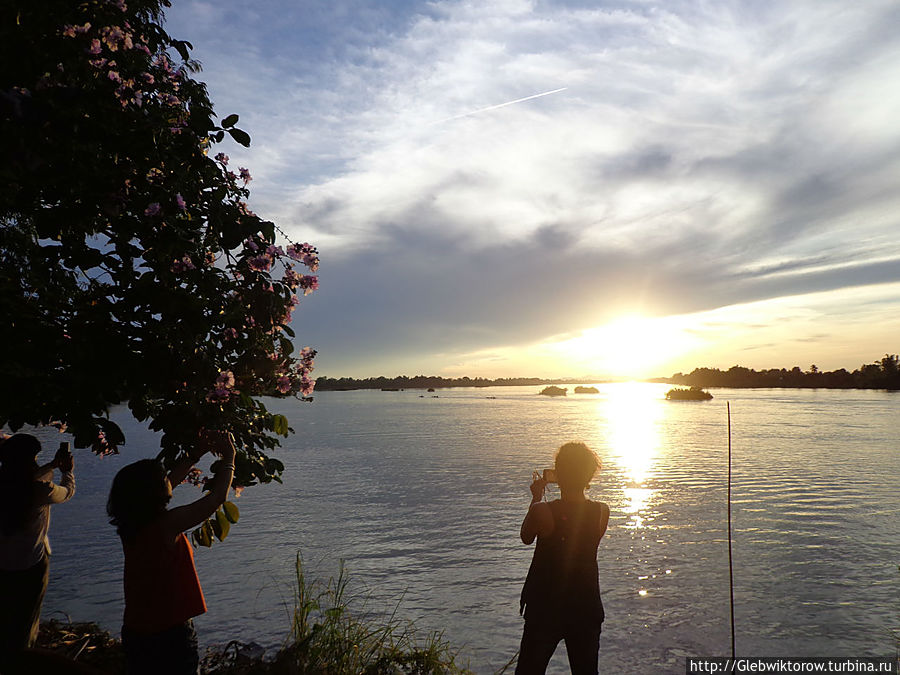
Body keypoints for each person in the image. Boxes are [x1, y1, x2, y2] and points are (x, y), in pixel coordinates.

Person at [107, 430, 235, 675]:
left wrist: (195, 455)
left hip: (137, 629)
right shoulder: (167, 525)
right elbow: (218, 497)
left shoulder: (131, 524)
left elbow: (167, 482)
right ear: (155, 491)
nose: (168, 480)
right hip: (169, 633)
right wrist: (230, 456)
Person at [516, 441, 610, 675]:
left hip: (545, 609)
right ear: (589, 474)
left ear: (558, 473)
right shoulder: (601, 511)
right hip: (586, 607)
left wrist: (536, 497)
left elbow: (526, 537)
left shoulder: (543, 511)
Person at [0, 434, 76, 663]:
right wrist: (67, 472)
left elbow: (21, 480)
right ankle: (22, 662)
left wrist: (52, 465)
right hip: (31, 565)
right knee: (26, 621)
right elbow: (66, 492)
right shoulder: (40, 490)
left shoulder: (7, 485)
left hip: (2, 564)